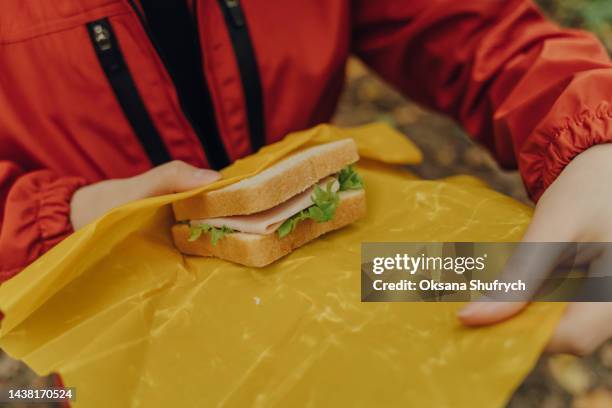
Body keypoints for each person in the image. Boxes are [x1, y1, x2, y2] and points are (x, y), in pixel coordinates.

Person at [1, 0, 611, 355]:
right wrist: (57, 215)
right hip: (105, 310)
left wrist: (592, 137)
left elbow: (470, 29)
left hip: (332, 282)